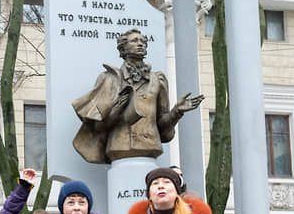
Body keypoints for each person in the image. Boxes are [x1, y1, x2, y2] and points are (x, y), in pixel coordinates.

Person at [72, 28, 203, 164]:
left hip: (150, 146)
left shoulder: (158, 79)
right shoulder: (109, 79)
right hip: (118, 147)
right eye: (134, 41)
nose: (140, 44)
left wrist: (177, 112)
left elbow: (162, 127)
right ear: (123, 49)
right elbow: (98, 126)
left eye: (143, 41)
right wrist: (116, 111)